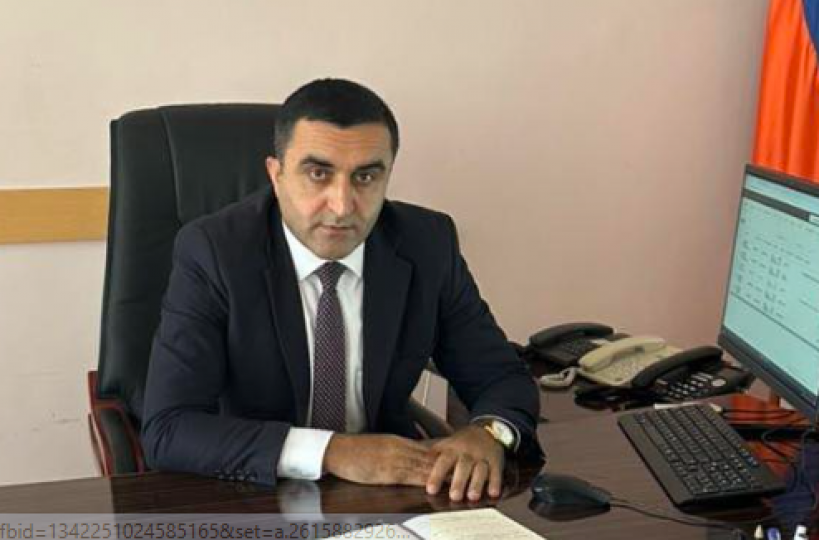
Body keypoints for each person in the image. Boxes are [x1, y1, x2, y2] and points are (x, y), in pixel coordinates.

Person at [142, 78, 542, 503]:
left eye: (366, 176)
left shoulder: (428, 244)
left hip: (391, 497)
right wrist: (333, 451)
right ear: (276, 175)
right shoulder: (214, 252)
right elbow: (170, 428)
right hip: (255, 493)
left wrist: (488, 433)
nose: (342, 205)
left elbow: (501, 376)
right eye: (318, 174)